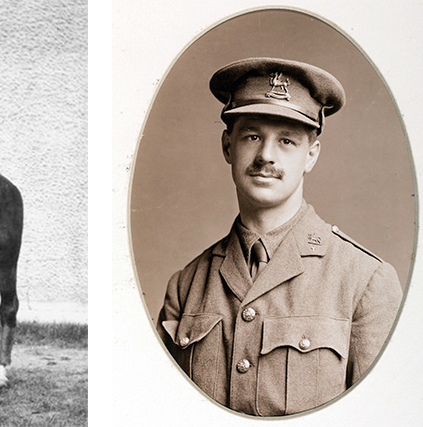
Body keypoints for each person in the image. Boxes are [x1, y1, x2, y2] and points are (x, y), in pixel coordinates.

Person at [156, 57, 403, 416]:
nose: (266, 156)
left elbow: (387, 416)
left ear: (311, 155)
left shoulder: (365, 281)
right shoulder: (186, 285)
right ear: (228, 146)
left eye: (287, 141)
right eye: (252, 136)